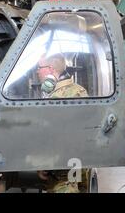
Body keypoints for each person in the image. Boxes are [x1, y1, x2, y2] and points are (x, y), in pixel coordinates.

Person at [36, 53, 88, 193]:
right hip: (80, 164)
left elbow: (53, 137)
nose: (37, 71)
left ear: (51, 69)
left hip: (63, 169)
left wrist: (43, 164)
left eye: (39, 67)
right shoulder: (79, 90)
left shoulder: (57, 97)